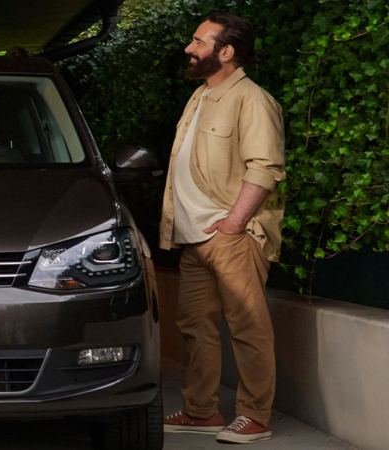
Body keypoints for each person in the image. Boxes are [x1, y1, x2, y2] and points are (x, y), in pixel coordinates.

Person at [159, 11, 286, 445]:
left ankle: (255, 417)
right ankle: (201, 412)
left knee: (248, 327)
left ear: (225, 52)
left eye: (199, 42)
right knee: (196, 326)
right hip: (195, 238)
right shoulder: (200, 96)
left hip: (232, 237)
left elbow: (265, 167)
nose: (189, 49)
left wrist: (234, 223)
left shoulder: (252, 99)